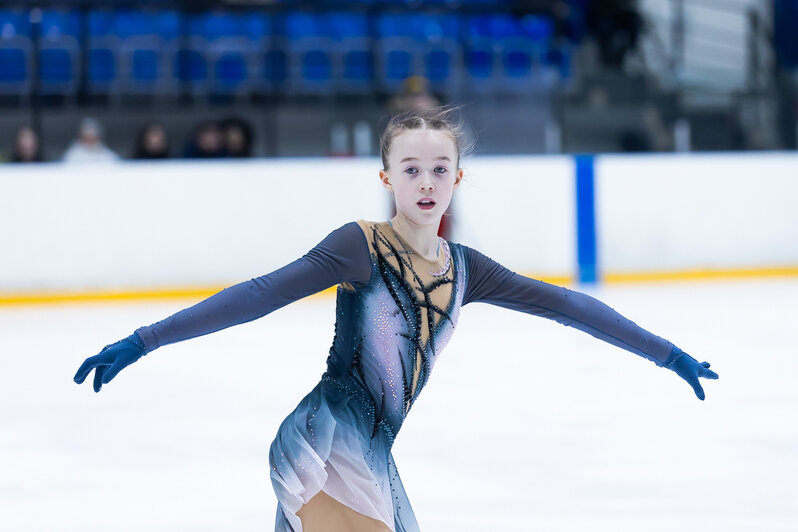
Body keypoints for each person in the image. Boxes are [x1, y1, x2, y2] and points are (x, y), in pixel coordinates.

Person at [74, 106, 718, 532]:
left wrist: (667, 354)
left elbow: (568, 305)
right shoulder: (360, 244)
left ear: (458, 177)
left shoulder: (468, 270)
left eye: (440, 169)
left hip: (374, 456)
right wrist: (144, 339)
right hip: (322, 443)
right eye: (411, 169)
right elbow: (259, 294)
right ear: (388, 176)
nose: (427, 181)